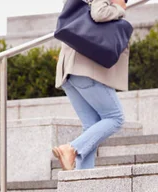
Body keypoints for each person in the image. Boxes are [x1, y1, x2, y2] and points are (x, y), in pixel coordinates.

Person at [52, 0, 129, 170]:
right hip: (85, 69)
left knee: (91, 127)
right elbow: (99, 13)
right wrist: (119, 8)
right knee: (115, 118)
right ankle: (71, 148)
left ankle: (83, 179)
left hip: (70, 72)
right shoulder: (112, 5)